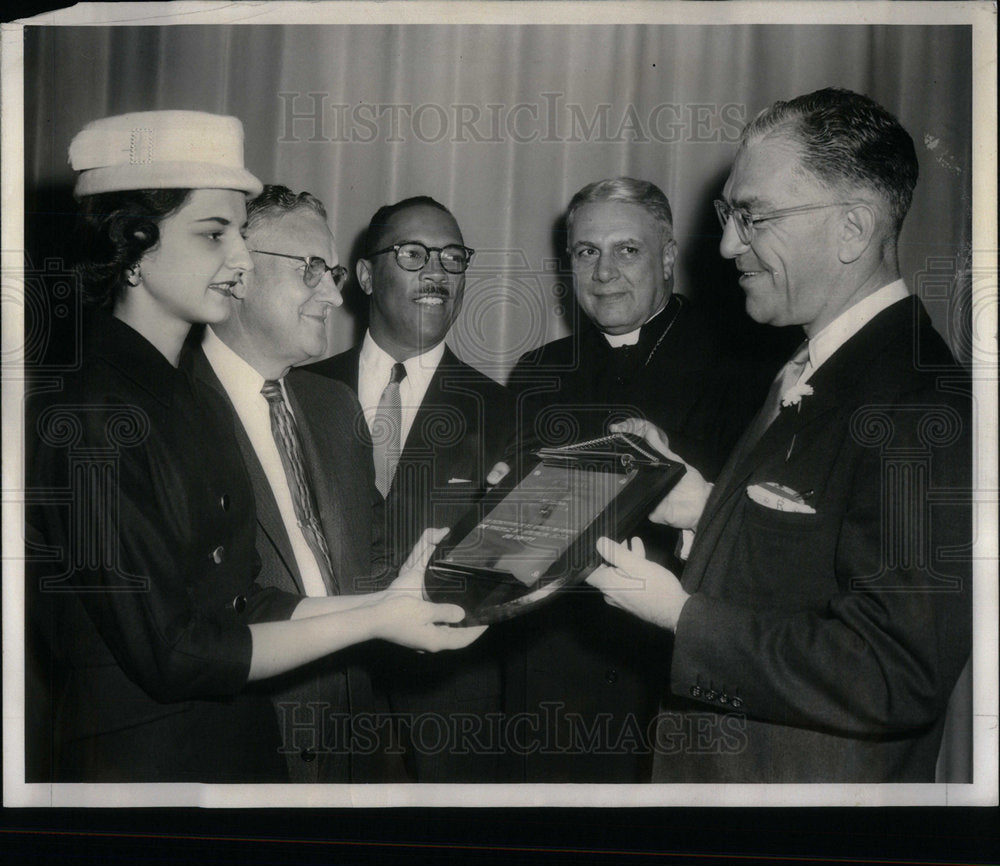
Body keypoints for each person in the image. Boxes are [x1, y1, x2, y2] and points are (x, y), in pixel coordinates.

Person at [25, 111, 484, 783]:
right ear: (132, 247)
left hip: (235, 755)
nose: (238, 260)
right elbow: (176, 651)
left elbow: (244, 604)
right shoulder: (92, 414)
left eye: (239, 236)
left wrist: (383, 609)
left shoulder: (173, 392)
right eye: (214, 235)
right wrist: (369, 623)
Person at [588, 89, 972, 782]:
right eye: (728, 214)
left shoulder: (918, 400)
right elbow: (820, 551)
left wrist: (684, 617)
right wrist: (706, 505)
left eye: (753, 216)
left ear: (852, 229)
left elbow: (898, 670)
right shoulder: (817, 364)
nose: (730, 244)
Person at [495, 178, 764, 782]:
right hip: (552, 690)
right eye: (587, 251)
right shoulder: (539, 371)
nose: (604, 271)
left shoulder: (747, 364)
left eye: (628, 250)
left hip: (673, 689)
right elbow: (513, 546)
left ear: (669, 254)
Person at [183, 184, 402, 781]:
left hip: (358, 745)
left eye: (331, 272)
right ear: (236, 272)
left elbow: (375, 559)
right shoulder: (171, 414)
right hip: (247, 750)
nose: (334, 294)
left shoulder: (335, 406)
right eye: (311, 269)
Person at [306, 196, 516, 781]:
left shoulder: (507, 413)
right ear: (368, 275)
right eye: (414, 254)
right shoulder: (298, 392)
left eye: (453, 258)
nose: (437, 272)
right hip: (321, 695)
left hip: (451, 713)